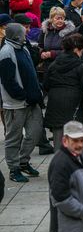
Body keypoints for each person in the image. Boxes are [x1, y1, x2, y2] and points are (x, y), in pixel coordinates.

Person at [0, 23, 43, 183]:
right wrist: (23, 96)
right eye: (23, 30)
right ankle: (14, 168)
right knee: (14, 138)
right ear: (16, 34)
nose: (27, 31)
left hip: (31, 101)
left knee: (35, 132)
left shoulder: (23, 48)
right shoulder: (6, 52)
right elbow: (8, 81)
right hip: (16, 104)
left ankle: (23, 161)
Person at [48, 121, 83, 232]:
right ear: (65, 141)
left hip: (81, 226)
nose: (80, 144)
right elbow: (60, 198)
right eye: (75, 141)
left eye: (82, 140)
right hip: (72, 229)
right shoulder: (61, 163)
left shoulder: (76, 156)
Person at [43, 34, 83, 151]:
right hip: (76, 108)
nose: (81, 53)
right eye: (80, 50)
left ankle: (59, 167)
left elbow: (46, 85)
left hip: (55, 107)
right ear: (75, 49)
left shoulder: (53, 65)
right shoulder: (81, 66)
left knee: (59, 145)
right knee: (76, 146)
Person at [39, 7, 77, 72]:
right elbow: (40, 46)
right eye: (57, 18)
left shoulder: (69, 32)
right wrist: (42, 53)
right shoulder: (45, 31)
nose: (60, 21)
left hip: (63, 66)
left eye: (62, 18)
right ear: (51, 19)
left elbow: (71, 51)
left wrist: (52, 54)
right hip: (47, 65)